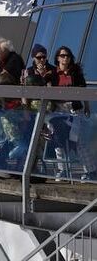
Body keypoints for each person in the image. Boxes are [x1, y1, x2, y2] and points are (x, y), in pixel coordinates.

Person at [46, 46, 88, 180]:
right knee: (58, 139)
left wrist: (87, 107)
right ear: (57, 58)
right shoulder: (52, 74)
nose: (65, 58)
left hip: (74, 110)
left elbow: (84, 91)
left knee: (79, 140)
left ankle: (89, 170)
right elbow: (46, 88)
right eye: (62, 56)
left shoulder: (76, 73)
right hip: (58, 110)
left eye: (68, 56)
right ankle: (62, 170)